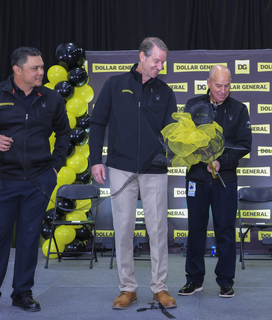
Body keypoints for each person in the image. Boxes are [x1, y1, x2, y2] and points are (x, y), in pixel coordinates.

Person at [0, 47, 70, 315]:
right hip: (2, 181)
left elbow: (65, 134)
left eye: (42, 67)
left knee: (28, 238)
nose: (41, 72)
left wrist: (55, 169)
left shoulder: (51, 98)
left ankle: (23, 292)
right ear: (17, 70)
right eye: (35, 68)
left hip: (38, 182)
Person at [89, 37, 177, 309]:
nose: (160, 66)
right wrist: (96, 160)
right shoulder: (115, 84)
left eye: (163, 62)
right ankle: (128, 288)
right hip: (120, 167)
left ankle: (159, 287)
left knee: (158, 230)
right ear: (141, 56)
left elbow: (172, 135)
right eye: (156, 60)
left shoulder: (166, 91)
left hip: (155, 170)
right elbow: (98, 122)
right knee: (123, 229)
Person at [178, 65, 252, 298]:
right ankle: (194, 279)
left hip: (225, 180)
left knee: (225, 231)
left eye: (227, 85)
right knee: (195, 229)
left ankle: (225, 280)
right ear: (208, 82)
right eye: (218, 85)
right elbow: (183, 139)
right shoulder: (193, 105)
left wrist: (222, 161)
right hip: (196, 179)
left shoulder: (239, 109)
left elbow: (244, 145)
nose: (223, 90)